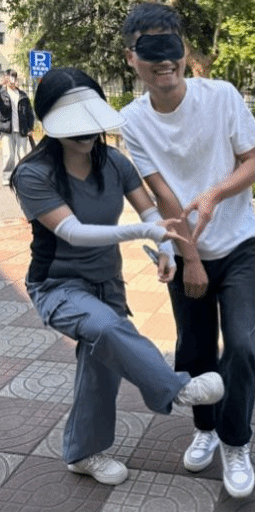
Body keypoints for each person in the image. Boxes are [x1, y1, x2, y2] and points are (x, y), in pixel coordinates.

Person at [9, 67, 225, 487]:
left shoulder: (114, 162)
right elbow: (74, 232)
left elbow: (150, 211)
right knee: (107, 329)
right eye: (75, 126)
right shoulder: (33, 173)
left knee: (101, 365)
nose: (86, 135)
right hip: (57, 286)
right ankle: (176, 388)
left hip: (107, 283)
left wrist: (165, 251)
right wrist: (145, 232)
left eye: (91, 123)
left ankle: (83, 454)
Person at [119, 2, 255, 498]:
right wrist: (192, 259)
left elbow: (254, 163)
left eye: (172, 45)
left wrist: (215, 193)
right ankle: (205, 428)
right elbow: (163, 196)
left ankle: (235, 440)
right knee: (196, 347)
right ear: (131, 58)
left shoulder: (221, 96)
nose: (165, 60)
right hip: (187, 251)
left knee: (243, 346)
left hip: (240, 243)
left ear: (184, 50)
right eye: (151, 49)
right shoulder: (132, 120)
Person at [1, 69, 35, 185]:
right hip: (7, 129)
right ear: (6, 78)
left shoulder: (23, 95)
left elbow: (29, 113)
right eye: (10, 77)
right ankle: (7, 178)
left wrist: (30, 128)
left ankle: (23, 176)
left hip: (22, 129)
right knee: (8, 155)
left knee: (23, 155)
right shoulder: (2, 94)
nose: (12, 80)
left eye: (14, 78)